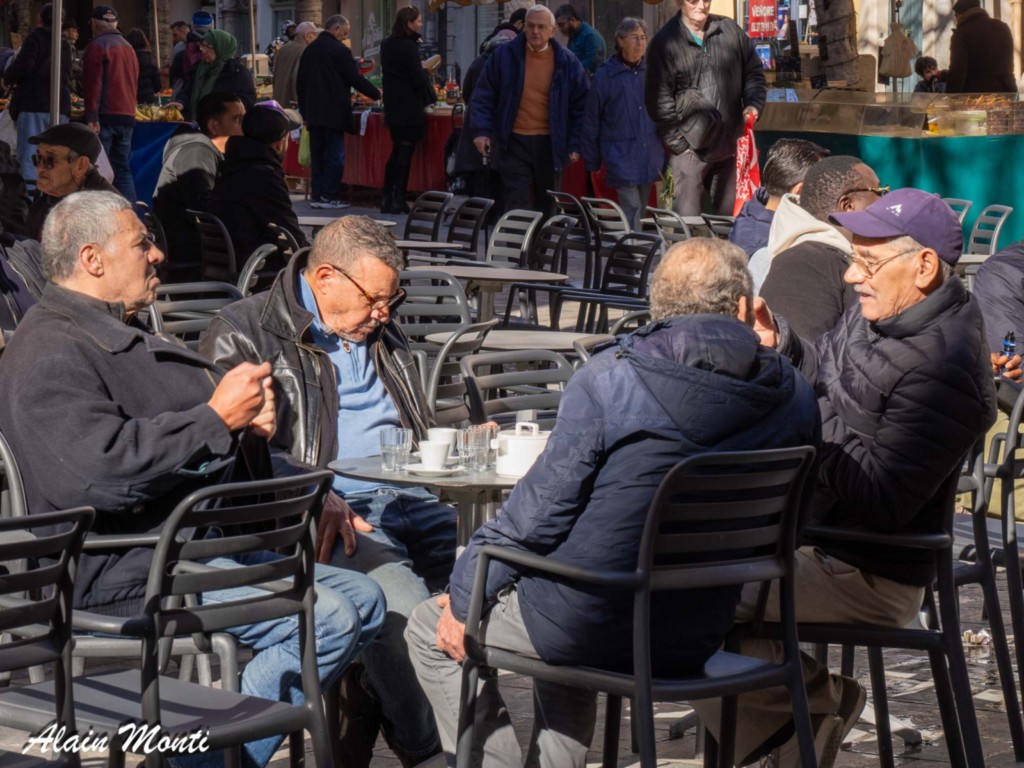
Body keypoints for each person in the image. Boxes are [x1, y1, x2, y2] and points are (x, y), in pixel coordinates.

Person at [0, 190, 386, 768]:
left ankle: (210, 746)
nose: (157, 254)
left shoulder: (107, 330)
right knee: (328, 619)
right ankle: (206, 760)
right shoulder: (51, 349)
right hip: (119, 568)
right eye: (141, 244)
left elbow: (181, 441)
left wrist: (248, 431)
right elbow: (99, 472)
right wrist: (216, 419)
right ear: (92, 259)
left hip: (182, 546)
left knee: (365, 597)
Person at [405, 237, 820, 768]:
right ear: (743, 308)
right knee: (564, 589)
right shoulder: (794, 392)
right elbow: (793, 527)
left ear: (656, 308)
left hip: (594, 622)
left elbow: (537, 517)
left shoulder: (609, 379)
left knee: (431, 625)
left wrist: (465, 595)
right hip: (699, 630)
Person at [701, 189, 996, 767]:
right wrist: (783, 346)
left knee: (673, 593)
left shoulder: (945, 367)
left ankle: (808, 712)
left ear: (924, 266)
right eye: (853, 258)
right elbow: (827, 372)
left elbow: (881, 499)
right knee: (671, 576)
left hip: (869, 571)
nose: (853, 275)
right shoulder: (885, 315)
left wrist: (797, 401)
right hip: (815, 539)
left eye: (867, 261)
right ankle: (808, 711)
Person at [200, 215, 452, 768]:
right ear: (326, 276)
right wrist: (315, 490)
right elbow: (231, 453)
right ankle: (430, 753)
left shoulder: (376, 325)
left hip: (413, 494)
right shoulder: (244, 331)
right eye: (374, 299)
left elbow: (413, 420)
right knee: (407, 615)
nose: (384, 313)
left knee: (498, 582)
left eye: (391, 299)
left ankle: (365, 690)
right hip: (331, 512)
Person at [645, 0, 766, 217]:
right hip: (690, 148)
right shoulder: (664, 41)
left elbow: (754, 72)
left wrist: (753, 104)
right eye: (693, 0)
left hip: (729, 144)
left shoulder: (729, 29)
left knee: (732, 220)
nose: (702, 5)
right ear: (679, 2)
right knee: (687, 222)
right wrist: (679, 144)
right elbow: (658, 99)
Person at [470, 5, 590, 215]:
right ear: (523, 28)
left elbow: (581, 106)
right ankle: (517, 238)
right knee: (517, 204)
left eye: (541, 27)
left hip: (551, 143)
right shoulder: (504, 56)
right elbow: (483, 96)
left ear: (552, 31)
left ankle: (542, 239)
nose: (535, 31)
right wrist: (482, 131)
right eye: (531, 26)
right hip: (514, 141)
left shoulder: (567, 62)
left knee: (549, 205)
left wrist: (574, 143)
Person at [756, 156, 883, 338]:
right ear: (848, 205)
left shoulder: (825, 256)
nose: (885, 201)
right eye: (879, 191)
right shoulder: (802, 265)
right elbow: (802, 351)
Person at [580, 17, 662, 231]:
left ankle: (635, 246)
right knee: (631, 206)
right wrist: (592, 160)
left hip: (648, 153)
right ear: (620, 40)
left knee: (642, 208)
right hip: (619, 154)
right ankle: (631, 249)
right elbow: (591, 119)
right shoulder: (605, 75)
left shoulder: (652, 71)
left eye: (643, 37)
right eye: (634, 37)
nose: (640, 42)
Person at [153, 92, 245, 279]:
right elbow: (204, 209)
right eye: (237, 120)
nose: (244, 128)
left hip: (195, 254)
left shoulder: (201, 149)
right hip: (192, 258)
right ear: (213, 126)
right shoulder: (197, 152)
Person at [208, 102, 308, 265]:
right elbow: (291, 236)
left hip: (231, 259)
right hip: (254, 264)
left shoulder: (232, 164)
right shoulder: (263, 176)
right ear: (279, 144)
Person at [297, 15, 380, 210]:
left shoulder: (310, 50)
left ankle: (318, 195)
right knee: (336, 156)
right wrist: (376, 93)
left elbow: (300, 82)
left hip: (314, 112)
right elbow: (354, 78)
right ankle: (330, 195)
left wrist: (305, 112)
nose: (345, 37)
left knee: (318, 156)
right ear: (335, 29)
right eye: (344, 33)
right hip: (333, 111)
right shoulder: (339, 50)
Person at [3, 3, 71, 189]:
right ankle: (51, 198)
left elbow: (23, 66)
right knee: (55, 159)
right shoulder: (64, 44)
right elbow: (67, 74)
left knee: (30, 157)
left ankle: (30, 198)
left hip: (34, 104)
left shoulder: (36, 38)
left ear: (40, 19)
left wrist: (8, 77)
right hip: (59, 106)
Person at [729, 138, 830, 258]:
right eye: (823, 187)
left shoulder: (763, 200)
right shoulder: (764, 247)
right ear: (800, 191)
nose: (828, 193)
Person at [452, 30, 517, 215]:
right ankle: (496, 215)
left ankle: (481, 215)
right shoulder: (510, 63)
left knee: (480, 175)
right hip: (499, 127)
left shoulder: (479, 61)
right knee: (498, 178)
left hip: (477, 125)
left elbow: (467, 92)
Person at [380, 7, 436, 214]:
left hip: (393, 104)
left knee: (396, 150)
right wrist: (425, 72)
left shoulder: (387, 43)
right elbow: (417, 77)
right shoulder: (409, 46)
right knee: (405, 150)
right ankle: (399, 198)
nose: (420, 24)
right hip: (409, 105)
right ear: (409, 23)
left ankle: (387, 197)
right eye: (418, 21)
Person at [24, 123, 119, 241]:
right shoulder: (48, 198)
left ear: (80, 166)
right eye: (38, 158)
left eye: (50, 160)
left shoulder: (105, 212)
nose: (40, 168)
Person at [83, 5, 139, 202]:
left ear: (94, 24)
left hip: (105, 116)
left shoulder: (97, 46)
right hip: (127, 115)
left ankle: (100, 212)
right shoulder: (129, 47)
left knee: (98, 170)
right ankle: (130, 211)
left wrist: (91, 115)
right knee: (122, 169)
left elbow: (93, 83)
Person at [180, 29, 256, 122]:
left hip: (222, 125)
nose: (204, 51)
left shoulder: (237, 72)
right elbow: (186, 92)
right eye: (203, 46)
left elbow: (248, 99)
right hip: (194, 123)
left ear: (221, 47)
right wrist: (180, 102)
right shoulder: (198, 68)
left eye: (208, 46)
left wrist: (222, 109)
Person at [946, 0, 1015, 93]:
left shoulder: (962, 34)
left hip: (975, 95)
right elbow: (1008, 67)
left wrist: (950, 98)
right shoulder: (1003, 27)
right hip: (1005, 90)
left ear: (960, 15)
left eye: (956, 16)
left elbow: (957, 74)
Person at [272, 20, 319, 107]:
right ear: (307, 36)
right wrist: (299, 103)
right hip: (293, 105)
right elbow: (296, 78)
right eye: (315, 35)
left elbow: (275, 74)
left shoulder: (284, 48)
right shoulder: (305, 51)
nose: (316, 38)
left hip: (279, 101)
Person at [169, 11, 212, 101]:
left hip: (183, 97)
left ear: (192, 26)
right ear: (212, 25)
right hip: (208, 96)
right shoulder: (215, 47)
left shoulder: (180, 47)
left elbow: (174, 75)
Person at [554, 4, 606, 75]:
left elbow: (593, 61)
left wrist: (571, 70)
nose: (560, 29)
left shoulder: (590, 35)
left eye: (562, 25)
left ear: (572, 20)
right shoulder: (574, 35)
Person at [125, 28, 162, 105]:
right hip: (147, 99)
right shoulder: (150, 59)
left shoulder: (125, 58)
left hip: (129, 98)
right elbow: (157, 85)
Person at [63, 19, 83, 97]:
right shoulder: (60, 48)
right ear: (65, 32)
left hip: (74, 91)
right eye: (74, 31)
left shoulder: (75, 51)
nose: (77, 34)